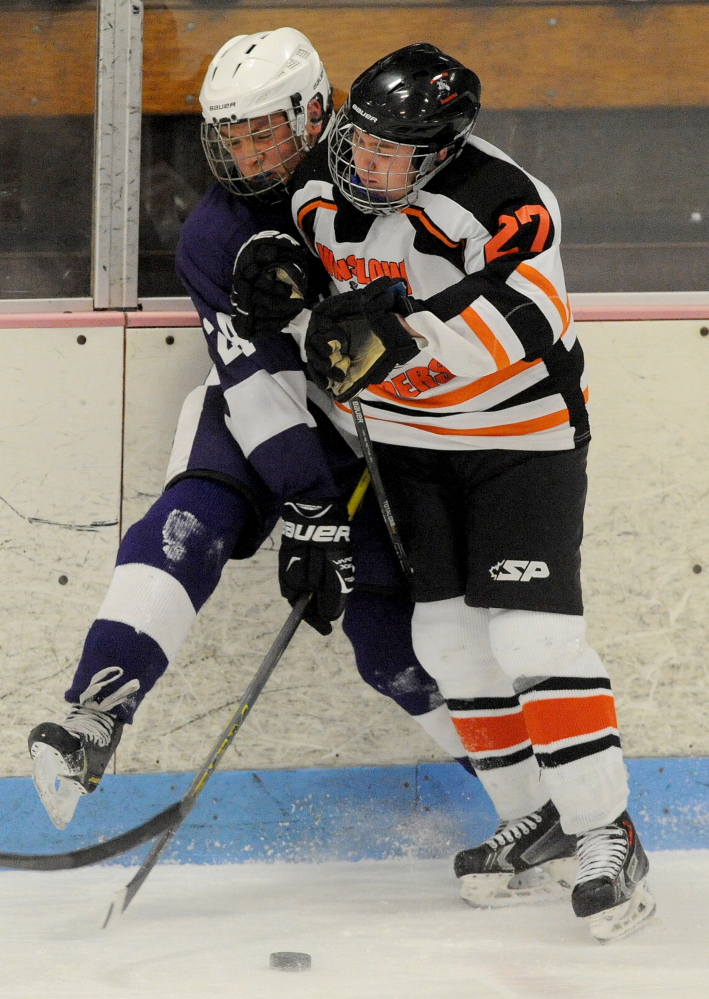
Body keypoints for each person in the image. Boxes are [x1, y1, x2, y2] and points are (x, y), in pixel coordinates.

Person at [239, 42, 653, 941]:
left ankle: (606, 830)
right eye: (359, 139)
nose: (365, 161)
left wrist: (404, 333)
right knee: (448, 641)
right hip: (409, 441)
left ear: (441, 153)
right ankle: (535, 819)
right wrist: (279, 270)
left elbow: (530, 316)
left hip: (518, 435)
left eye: (391, 152)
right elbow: (307, 256)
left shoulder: (503, 199)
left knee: (532, 636)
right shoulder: (323, 180)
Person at [26, 29, 474, 835]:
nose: (245, 153)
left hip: (390, 422)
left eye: (261, 131)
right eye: (230, 136)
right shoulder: (213, 234)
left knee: (391, 649)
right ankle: (95, 711)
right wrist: (310, 506)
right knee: (192, 518)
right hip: (272, 403)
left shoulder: (383, 177)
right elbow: (254, 380)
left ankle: (539, 797)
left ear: (313, 115)